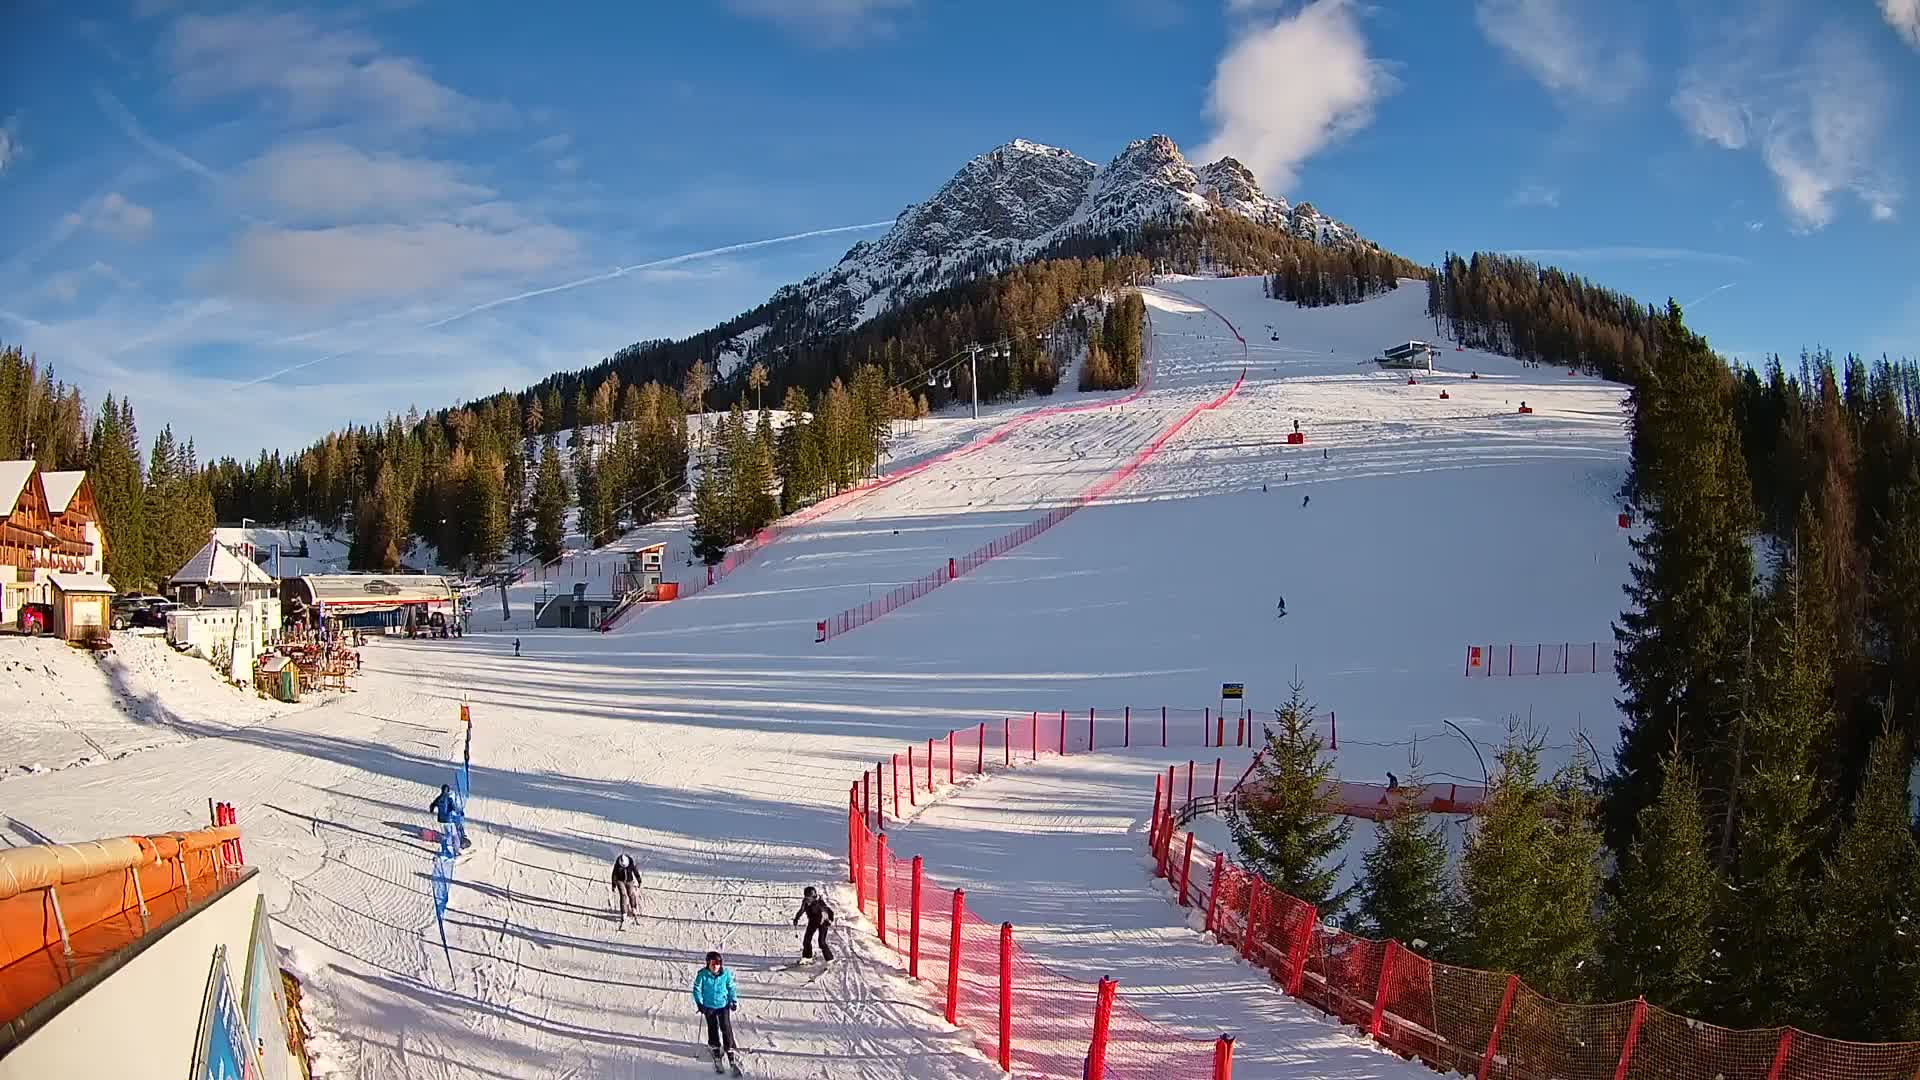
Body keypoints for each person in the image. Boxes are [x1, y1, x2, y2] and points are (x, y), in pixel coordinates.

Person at [692, 951, 741, 1072]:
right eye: (713, 963)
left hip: (723, 1005)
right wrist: (700, 1003)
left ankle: (729, 1047)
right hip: (709, 1006)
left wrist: (733, 1000)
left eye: (718, 963)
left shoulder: (726, 974)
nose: (715, 966)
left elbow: (731, 987)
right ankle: (714, 1046)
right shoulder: (702, 975)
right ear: (708, 963)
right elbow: (697, 989)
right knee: (712, 1027)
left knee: (726, 1026)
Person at [791, 885, 835, 963]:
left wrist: (829, 920)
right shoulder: (805, 902)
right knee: (806, 940)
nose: (807, 899)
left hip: (823, 923)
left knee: (821, 942)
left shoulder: (819, 902)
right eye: (806, 897)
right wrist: (796, 918)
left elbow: (828, 912)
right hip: (813, 922)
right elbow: (802, 910)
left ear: (813, 896)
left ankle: (830, 959)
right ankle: (807, 957)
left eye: (809, 897)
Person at [429, 783, 467, 851]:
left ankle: (448, 847)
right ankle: (455, 849)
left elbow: (432, 805)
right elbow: (454, 808)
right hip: (448, 819)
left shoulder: (439, 798)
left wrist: (431, 810)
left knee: (447, 833)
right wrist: (460, 812)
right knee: (454, 834)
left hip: (441, 819)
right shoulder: (449, 799)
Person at [611, 854, 641, 921]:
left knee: (631, 894)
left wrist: (639, 879)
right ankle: (624, 913)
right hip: (620, 881)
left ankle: (633, 908)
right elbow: (614, 874)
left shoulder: (630, 862)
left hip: (629, 880)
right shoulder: (617, 864)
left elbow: (635, 870)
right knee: (623, 895)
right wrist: (613, 885)